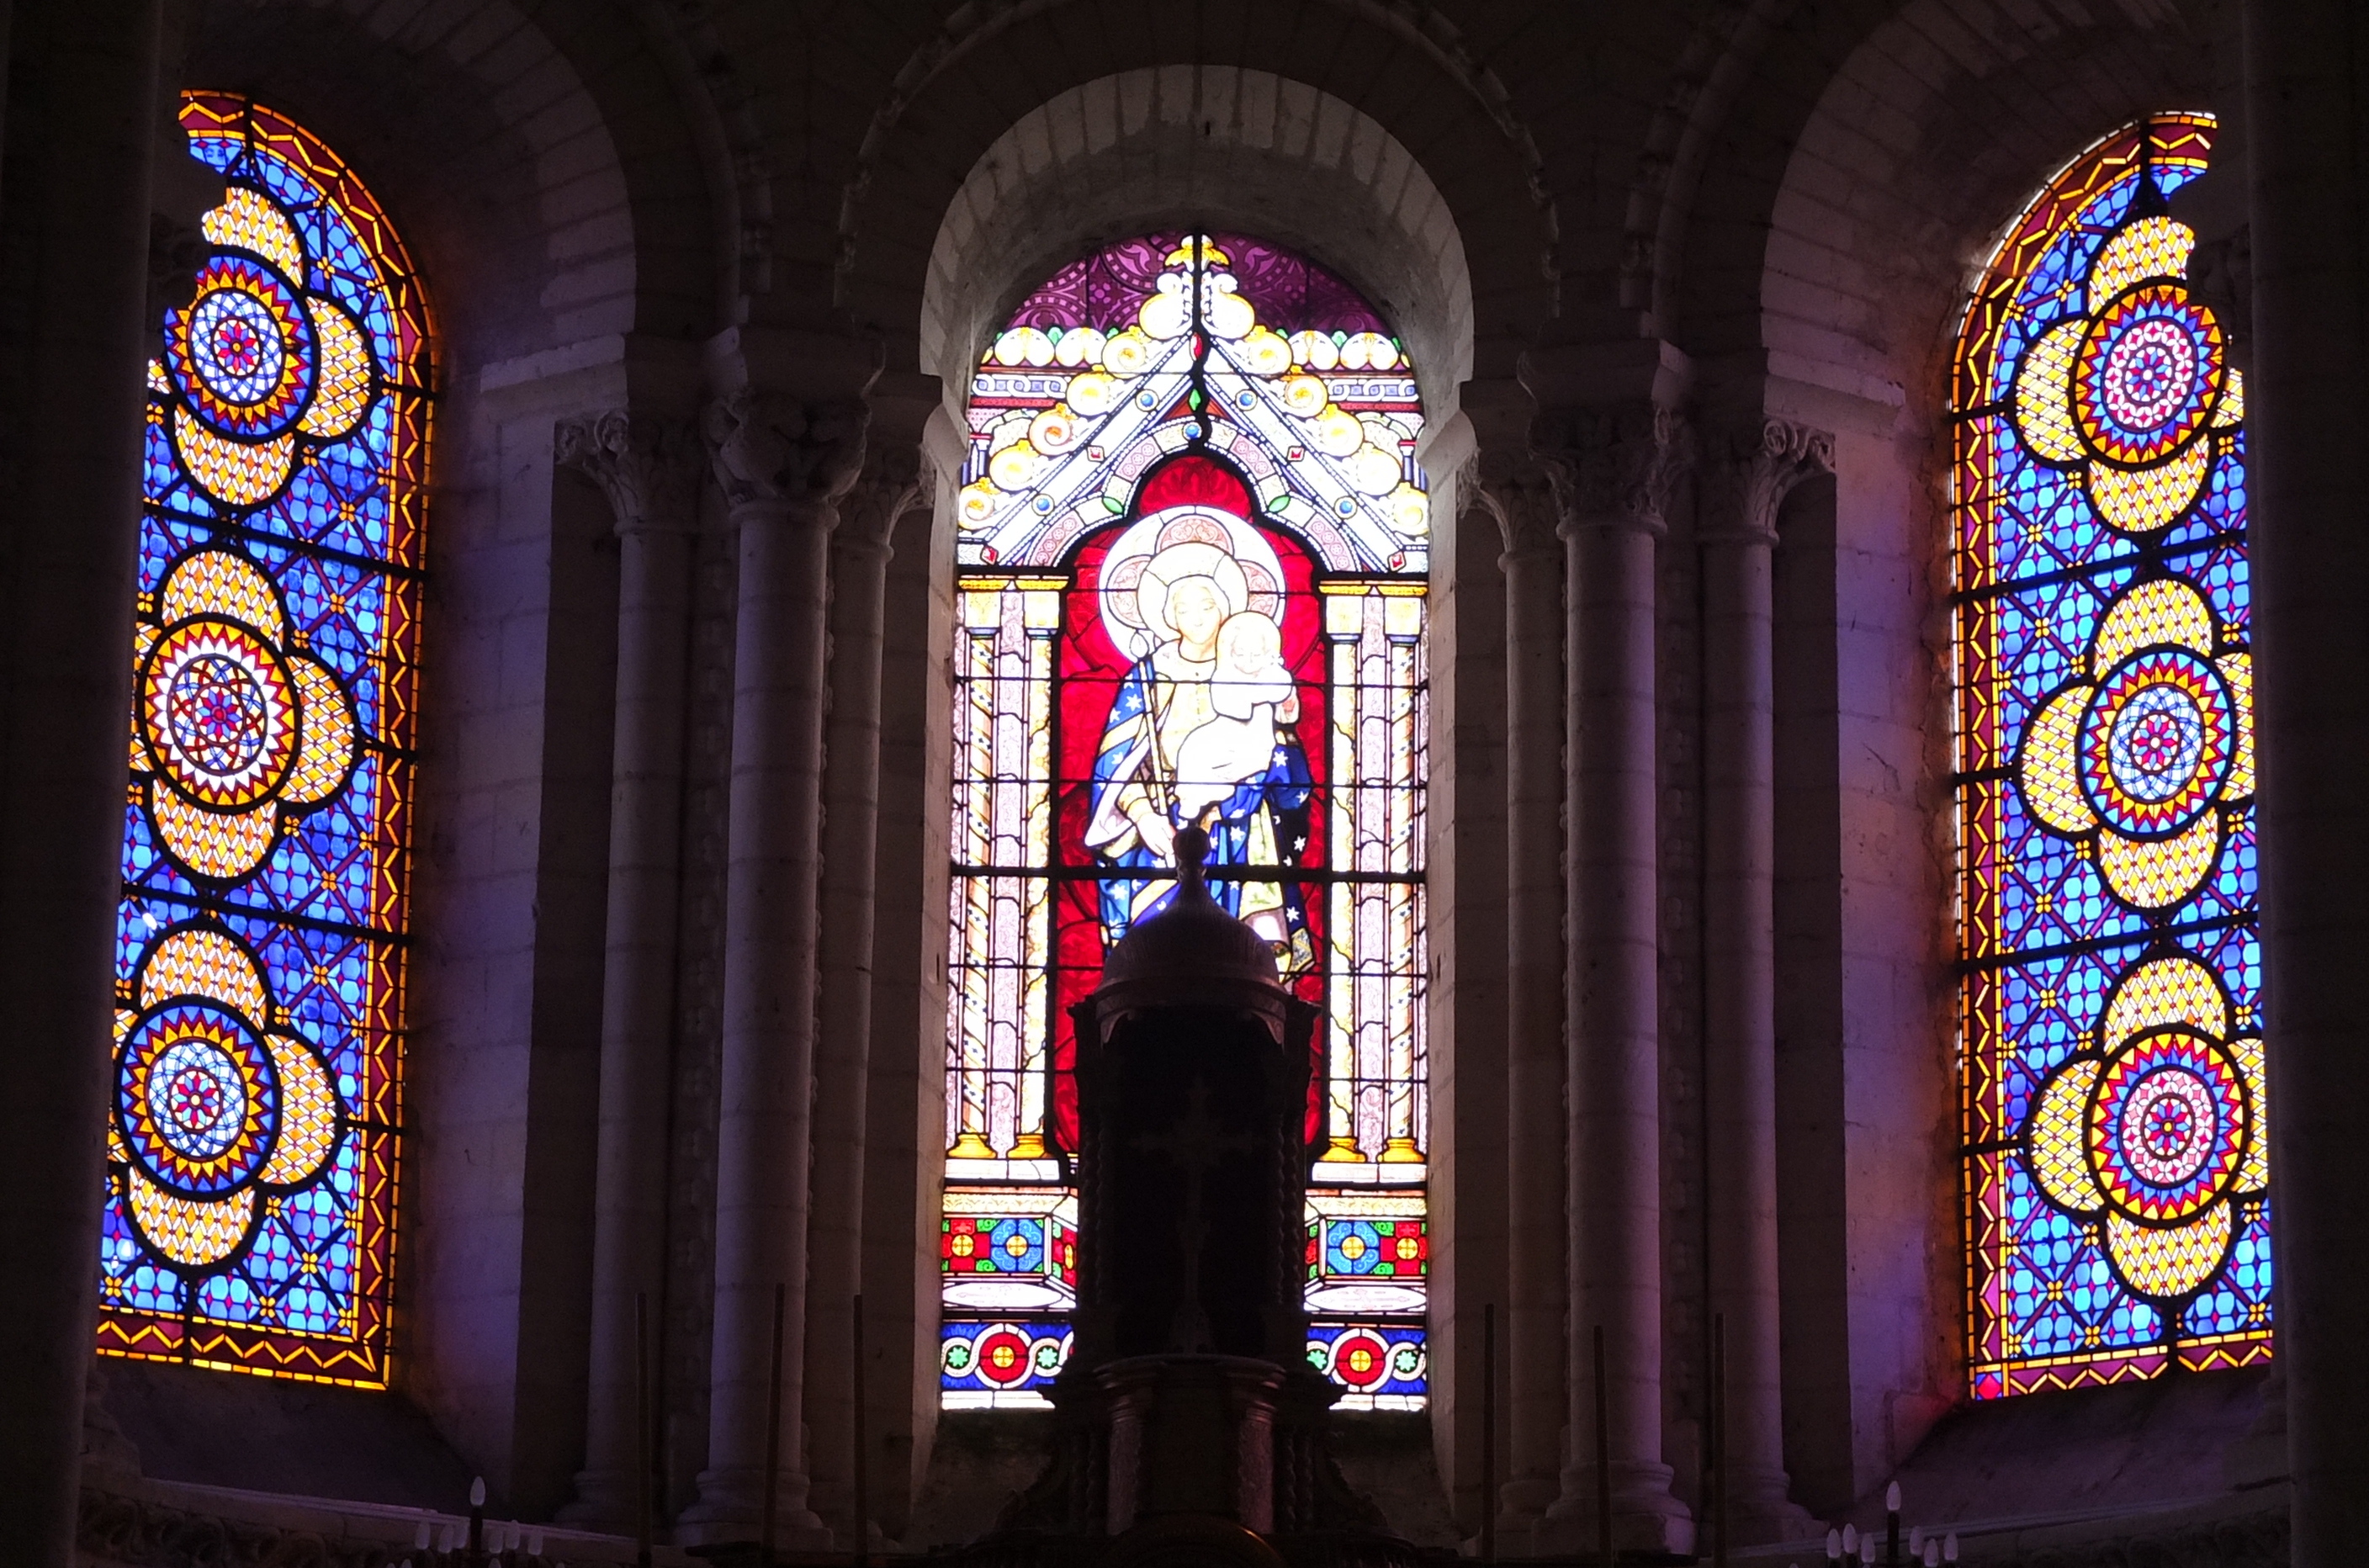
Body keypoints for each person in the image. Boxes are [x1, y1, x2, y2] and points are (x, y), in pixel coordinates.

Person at [1084, 540, 1312, 965]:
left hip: (1237, 821)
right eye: (1183, 609)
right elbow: (1115, 764)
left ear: (1226, 608)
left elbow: (1281, 752)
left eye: (1207, 606)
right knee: (1153, 956)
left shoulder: (1250, 668)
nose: (1197, 619)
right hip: (1159, 821)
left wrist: (1267, 749)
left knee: (1244, 953)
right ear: (1167, 615)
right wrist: (1142, 814)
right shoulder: (1149, 676)